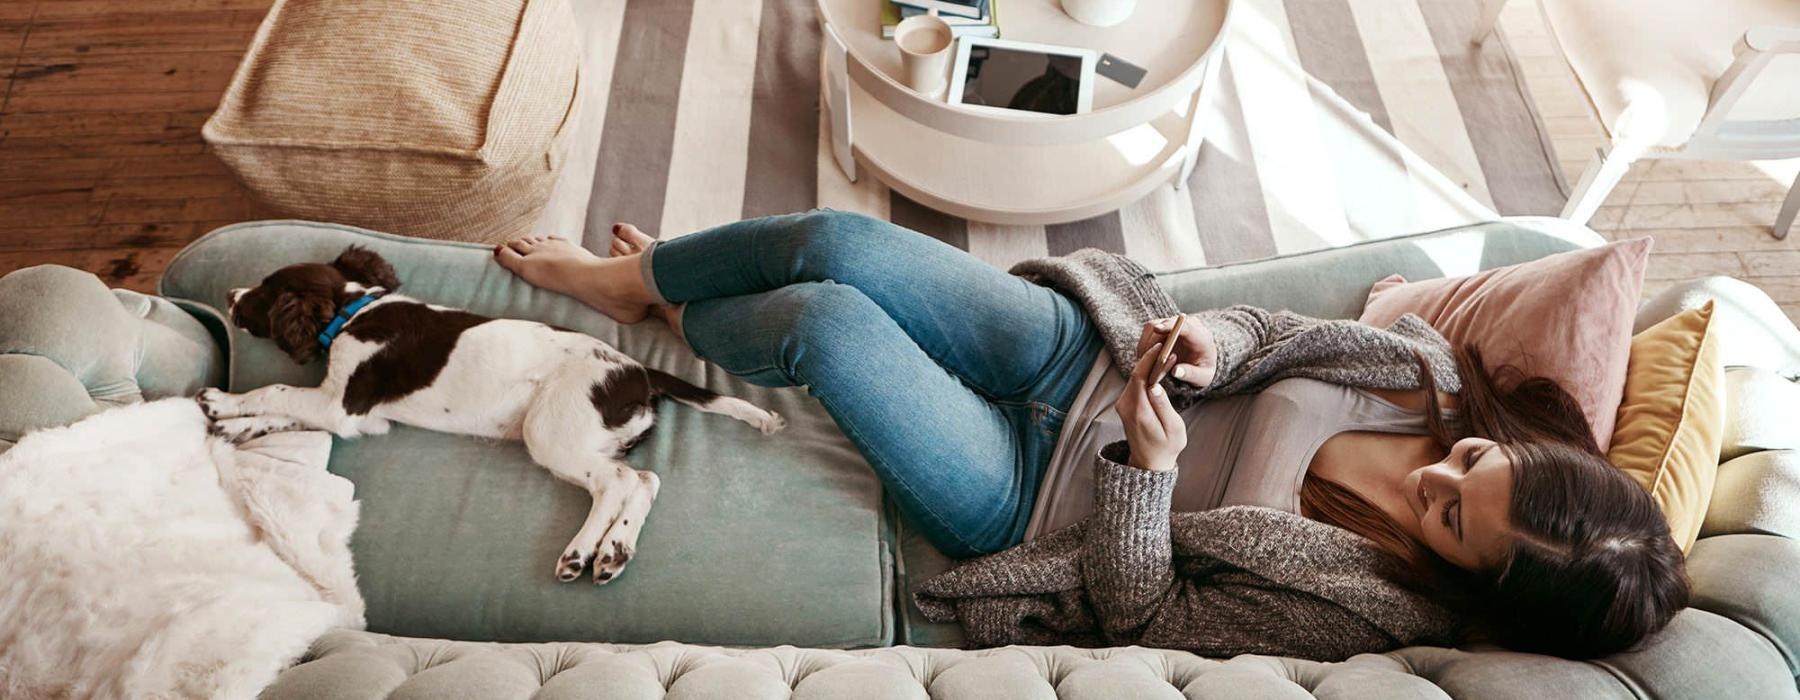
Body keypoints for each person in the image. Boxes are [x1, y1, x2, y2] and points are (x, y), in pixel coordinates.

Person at [492, 210, 1687, 661]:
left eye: (1447, 516)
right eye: (1476, 464)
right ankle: (635, 280)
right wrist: (1216, 340)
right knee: (838, 243)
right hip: (1080, 355)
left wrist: (1150, 474)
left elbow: (1147, 614)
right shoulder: (1429, 373)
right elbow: (1274, 332)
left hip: (1031, 496)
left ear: (1464, 579)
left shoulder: (1367, 607)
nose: (1439, 473)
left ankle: (686, 312)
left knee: (823, 322)